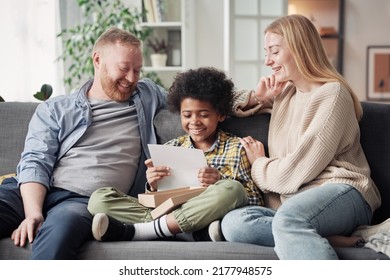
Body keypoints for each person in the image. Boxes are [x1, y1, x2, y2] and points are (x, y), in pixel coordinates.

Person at [220, 14, 382, 259]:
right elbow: (222, 105)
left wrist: (259, 165)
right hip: (297, 204)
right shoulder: (285, 95)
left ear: (299, 48)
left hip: (343, 191)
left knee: (288, 220)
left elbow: (294, 172)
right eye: (266, 53)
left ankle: (298, 230)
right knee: (233, 223)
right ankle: (320, 237)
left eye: (274, 52)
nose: (268, 61)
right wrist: (258, 97)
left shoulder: (332, 94)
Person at [0, 27, 167, 259]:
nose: (131, 79)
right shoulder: (56, 109)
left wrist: (235, 104)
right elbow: (35, 162)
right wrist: (33, 213)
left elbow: (194, 96)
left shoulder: (147, 95)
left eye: (137, 70)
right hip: (28, 191)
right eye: (123, 68)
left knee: (58, 236)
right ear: (98, 60)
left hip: (84, 201)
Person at [87, 67, 264, 242]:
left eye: (203, 115)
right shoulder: (171, 147)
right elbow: (157, 202)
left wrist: (219, 180)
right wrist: (153, 185)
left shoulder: (237, 148)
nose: (194, 122)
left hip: (207, 212)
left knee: (232, 189)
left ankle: (144, 231)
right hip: (170, 212)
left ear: (220, 115)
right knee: (99, 199)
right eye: (187, 115)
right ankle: (185, 232)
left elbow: (254, 200)